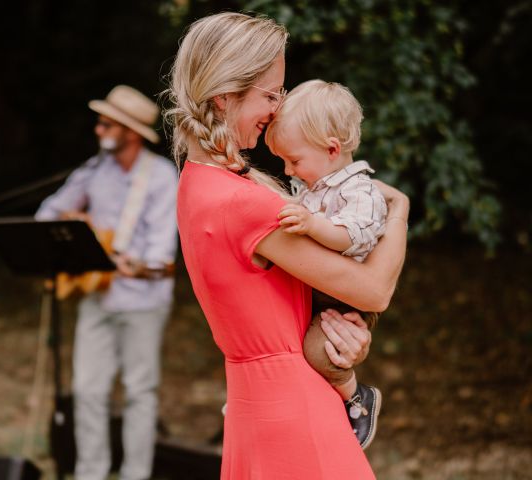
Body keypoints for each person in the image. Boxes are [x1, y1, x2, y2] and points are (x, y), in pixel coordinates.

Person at [164, 11, 409, 479]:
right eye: (271, 94)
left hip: (253, 405)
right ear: (224, 97)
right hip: (295, 414)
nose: (279, 108)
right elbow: (374, 291)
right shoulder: (244, 202)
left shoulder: (196, 183)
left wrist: (336, 346)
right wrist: (399, 213)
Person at [36, 85, 178, 480]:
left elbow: (162, 256)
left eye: (106, 124)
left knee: (139, 393)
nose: (98, 131)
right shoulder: (94, 171)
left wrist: (140, 265)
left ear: (130, 132)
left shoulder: (162, 177)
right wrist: (73, 223)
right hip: (97, 296)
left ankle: (136, 475)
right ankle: (90, 473)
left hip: (143, 299)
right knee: (88, 392)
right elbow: (47, 213)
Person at [266, 79, 389, 449]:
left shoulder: (359, 191)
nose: (288, 170)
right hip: (315, 286)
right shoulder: (313, 186)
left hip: (342, 300)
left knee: (322, 351)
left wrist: (313, 225)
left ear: (332, 149)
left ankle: (357, 397)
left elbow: (353, 236)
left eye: (294, 160)